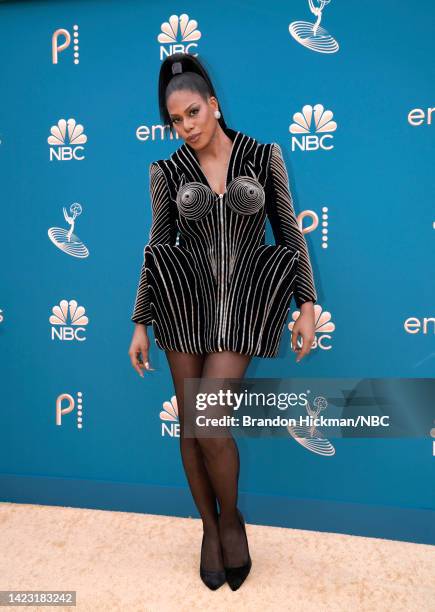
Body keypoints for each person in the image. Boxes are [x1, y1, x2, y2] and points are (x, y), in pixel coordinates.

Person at [128, 52, 318, 591]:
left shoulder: (263, 155)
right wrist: (141, 322)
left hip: (243, 302)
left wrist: (306, 305)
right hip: (182, 305)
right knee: (190, 427)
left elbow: (288, 231)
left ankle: (232, 519)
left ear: (213, 105)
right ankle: (210, 530)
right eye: (175, 120)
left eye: (193, 112)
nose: (185, 127)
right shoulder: (166, 172)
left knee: (210, 423)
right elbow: (157, 246)